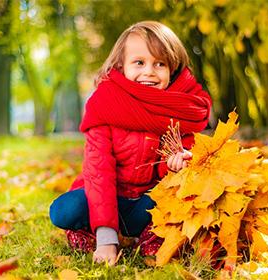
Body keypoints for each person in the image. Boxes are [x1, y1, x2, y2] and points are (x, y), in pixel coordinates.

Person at [49, 21, 211, 266]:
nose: (149, 71)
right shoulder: (105, 105)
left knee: (180, 194)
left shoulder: (176, 109)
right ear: (120, 66)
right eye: (139, 62)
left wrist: (174, 165)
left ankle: (152, 237)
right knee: (64, 210)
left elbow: (169, 174)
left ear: (172, 69)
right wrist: (106, 240)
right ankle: (90, 232)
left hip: (146, 204)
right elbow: (98, 172)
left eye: (160, 63)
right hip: (105, 196)